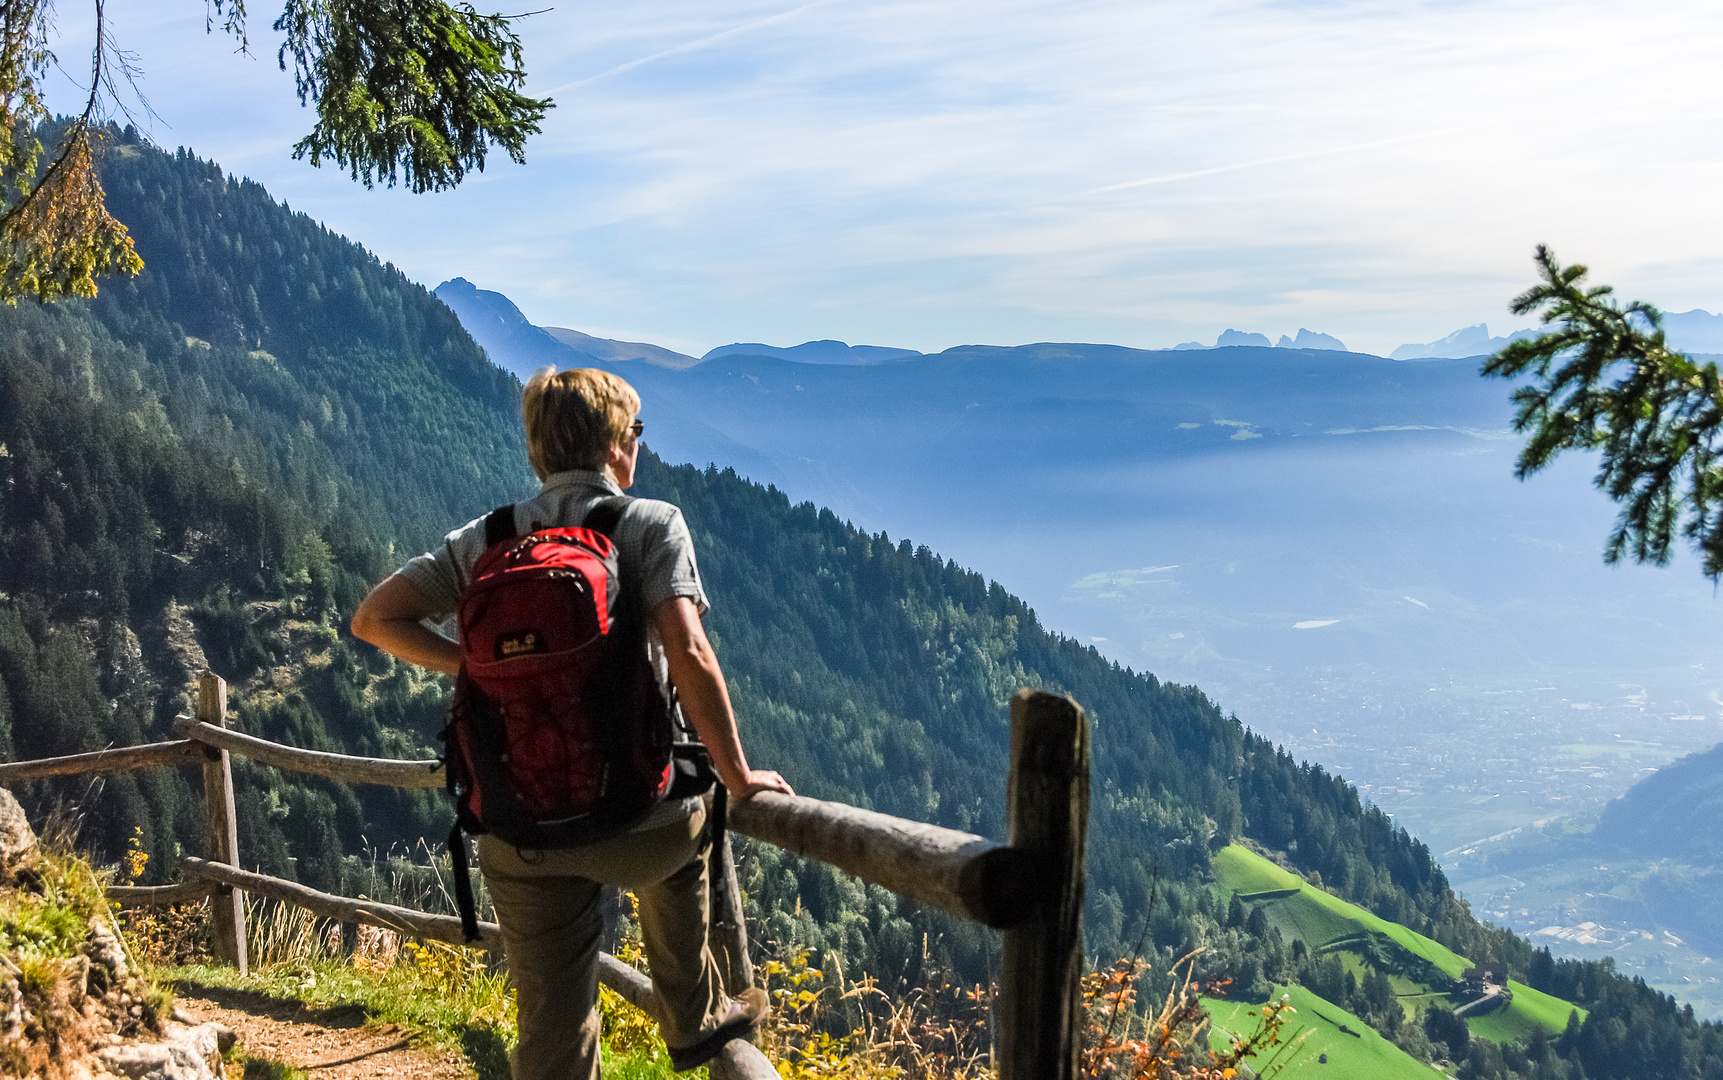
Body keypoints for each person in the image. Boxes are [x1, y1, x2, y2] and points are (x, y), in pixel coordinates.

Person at [351, 366, 792, 1077]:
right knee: (692, 830)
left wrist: (474, 665)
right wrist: (739, 777)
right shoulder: (650, 525)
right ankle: (694, 1016)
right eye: (636, 433)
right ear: (618, 444)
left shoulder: (485, 539)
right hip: (640, 827)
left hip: (521, 830)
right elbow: (689, 651)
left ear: (537, 451)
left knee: (551, 1035)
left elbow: (373, 618)